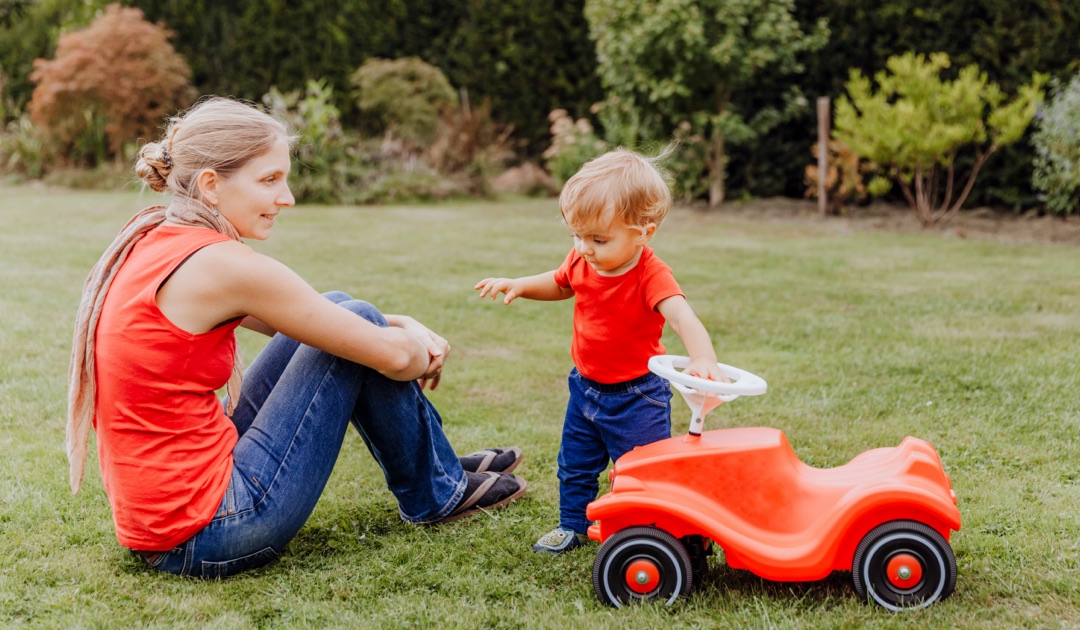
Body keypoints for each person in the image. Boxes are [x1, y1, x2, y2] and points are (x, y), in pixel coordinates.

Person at [65, 96, 527, 579]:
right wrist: (419, 345)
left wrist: (401, 324)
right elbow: (392, 358)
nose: (286, 198)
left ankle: (436, 466)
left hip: (162, 519)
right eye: (269, 180)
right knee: (359, 325)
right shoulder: (223, 266)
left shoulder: (157, 238)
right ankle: (436, 490)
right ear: (211, 186)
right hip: (208, 530)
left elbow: (313, 316)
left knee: (345, 306)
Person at [474, 148, 725, 555]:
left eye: (598, 239)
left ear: (643, 233)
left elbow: (682, 316)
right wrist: (519, 283)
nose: (584, 248)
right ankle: (572, 525)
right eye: (577, 235)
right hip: (585, 389)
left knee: (643, 472)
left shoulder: (650, 274)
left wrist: (703, 358)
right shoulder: (583, 260)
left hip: (637, 397)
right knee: (574, 465)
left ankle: (655, 532)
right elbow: (559, 283)